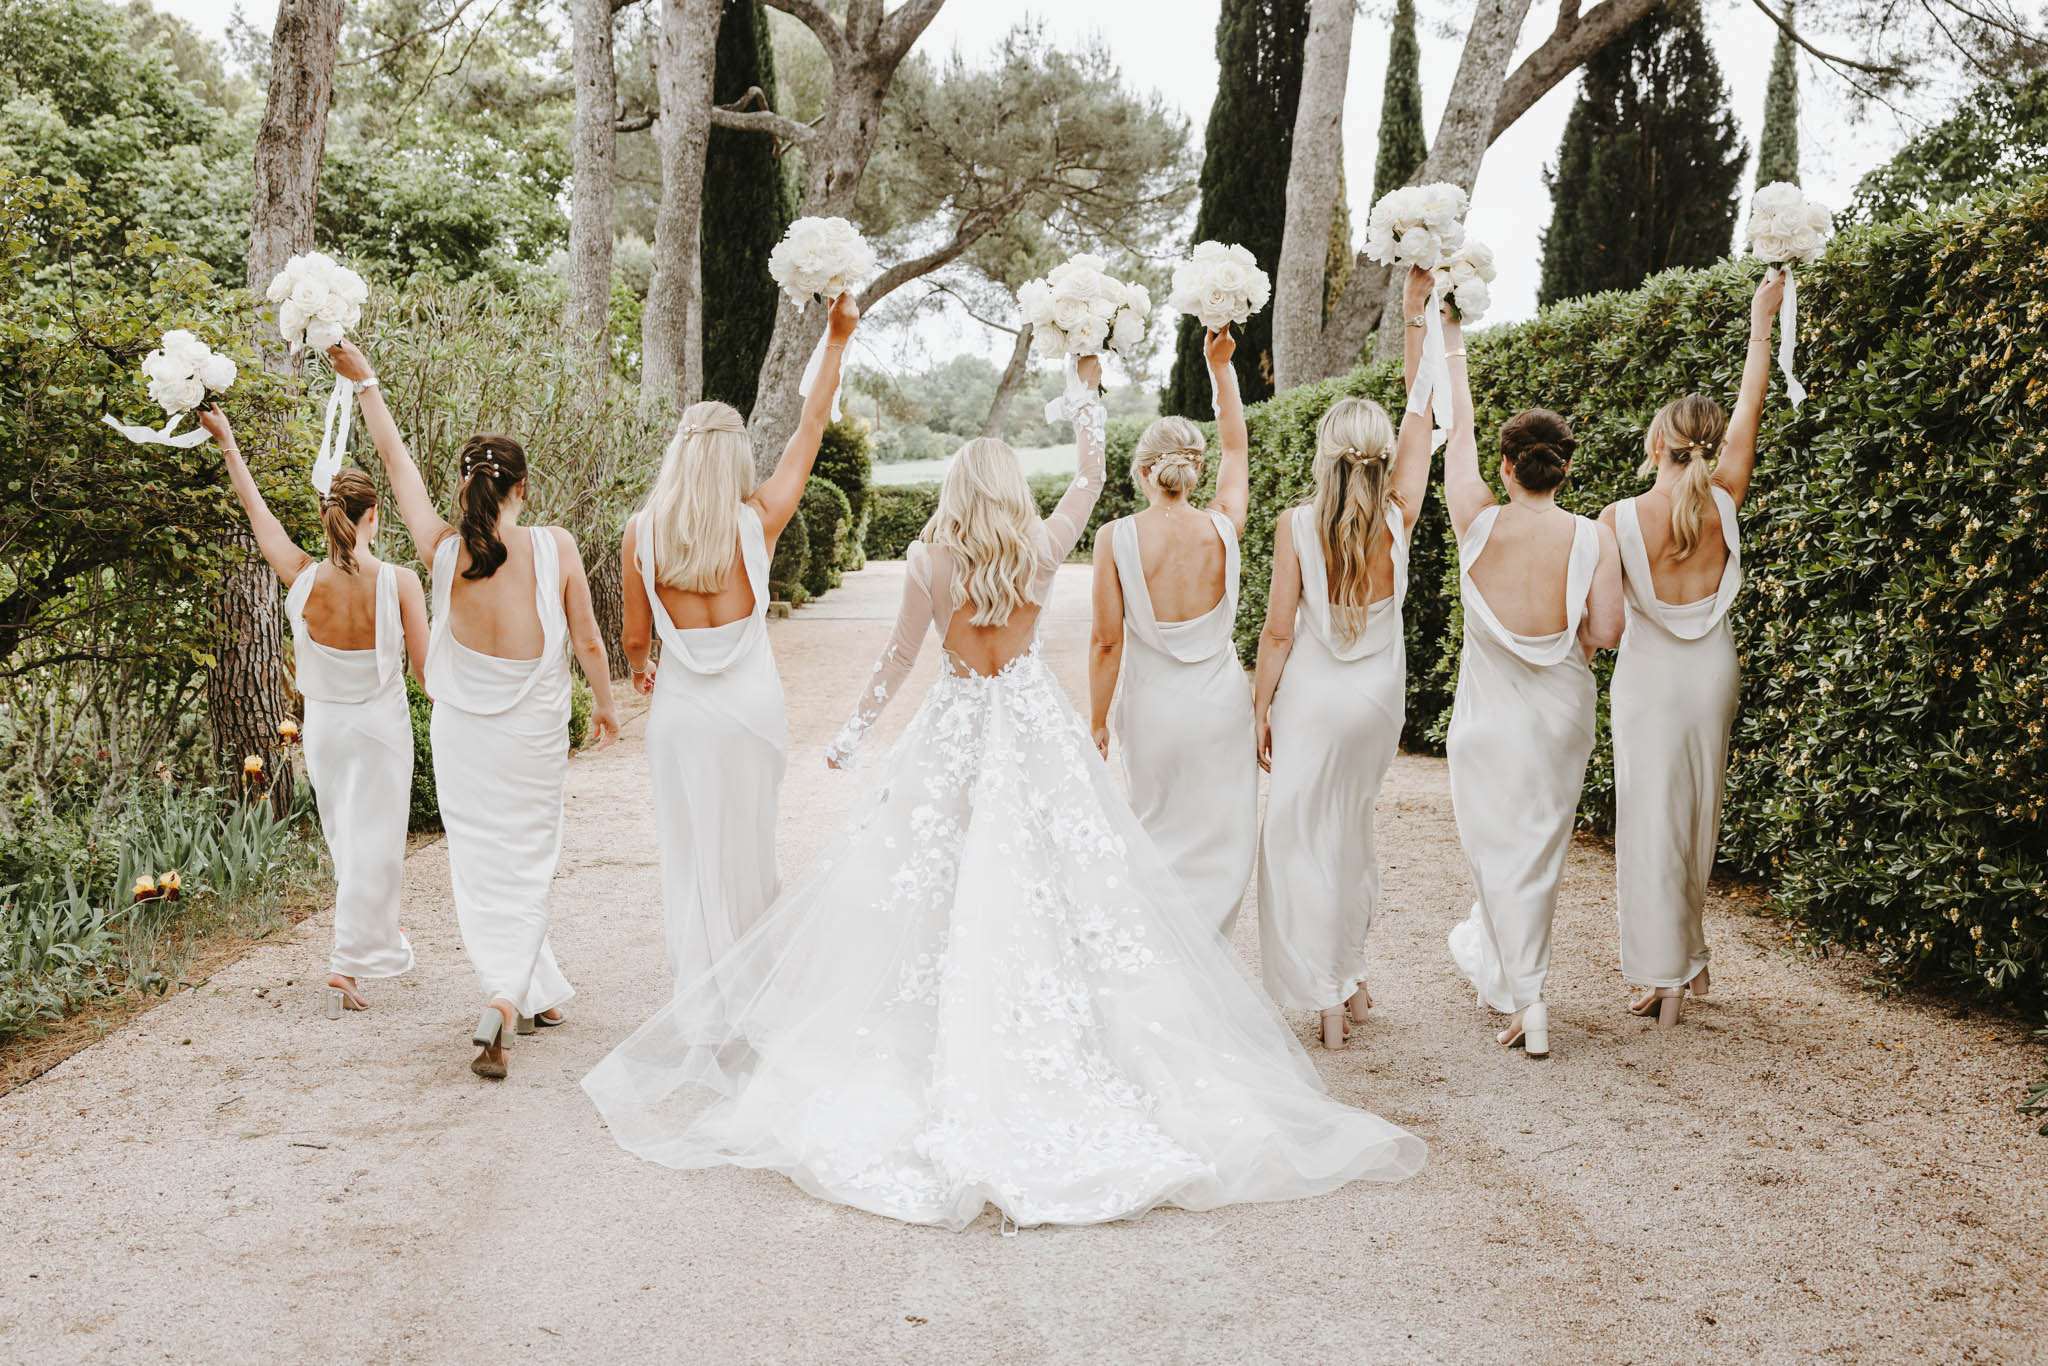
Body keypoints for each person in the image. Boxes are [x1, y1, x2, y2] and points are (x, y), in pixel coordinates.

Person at [582, 356, 1425, 1229]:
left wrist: (852, 733)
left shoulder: (925, 560)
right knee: (1060, 880)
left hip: (952, 735)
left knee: (932, 881)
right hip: (1029, 733)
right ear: (1012, 488)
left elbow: (901, 662)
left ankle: (948, 1032)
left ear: (954, 487)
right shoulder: (1042, 546)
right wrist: (1084, 388)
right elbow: (1095, 475)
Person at [331, 340, 620, 1080]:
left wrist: (368, 385)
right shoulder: (555, 546)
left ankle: (535, 990)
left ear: (463, 488)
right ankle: (501, 999)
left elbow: (397, 471)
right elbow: (588, 639)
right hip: (530, 735)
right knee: (528, 866)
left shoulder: (439, 550)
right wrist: (609, 709)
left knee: (486, 869)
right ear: (522, 486)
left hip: (464, 735)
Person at [622, 293, 858, 984]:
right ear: (734, 457)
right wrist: (836, 339)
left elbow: (636, 638)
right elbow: (812, 424)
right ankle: (755, 982)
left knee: (691, 851)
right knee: (750, 845)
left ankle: (702, 981)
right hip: (752, 711)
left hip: (683, 717)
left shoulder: (643, 532)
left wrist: (644, 671)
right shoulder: (760, 519)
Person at [1251, 266, 1437, 1048]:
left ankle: (1326, 995)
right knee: (1352, 832)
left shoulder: (1296, 525)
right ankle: (1352, 982)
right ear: (1380, 454)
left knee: (1302, 841)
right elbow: (1424, 411)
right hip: (1374, 708)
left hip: (1313, 702)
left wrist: (1260, 709)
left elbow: (1278, 633)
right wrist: (1417, 318)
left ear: (1327, 452)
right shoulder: (1399, 516)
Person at [1439, 306, 1624, 1060]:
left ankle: (1524, 994)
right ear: (1566, 468)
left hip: (1486, 720)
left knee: (1494, 850)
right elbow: (1607, 633)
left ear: (1508, 468)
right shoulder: (1594, 536)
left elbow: (1459, 431)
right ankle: (1526, 991)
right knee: (1540, 853)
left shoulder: (1476, 521)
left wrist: (1450, 335)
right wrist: (1567, 637)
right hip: (1560, 714)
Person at [1600, 270, 1784, 1027]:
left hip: (1646, 677)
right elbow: (1750, 406)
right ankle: (1686, 962)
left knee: (1648, 817)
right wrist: (1761, 326)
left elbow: (1603, 625)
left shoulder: (1617, 517)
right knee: (1700, 814)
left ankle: (1659, 975)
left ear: (1657, 442)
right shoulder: (1728, 496)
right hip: (1712, 672)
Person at [200, 407, 428, 1017]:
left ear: (329, 517)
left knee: (348, 843)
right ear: (372, 516)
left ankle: (364, 951)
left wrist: (228, 443)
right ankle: (346, 960)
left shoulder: (299, 576)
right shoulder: (401, 583)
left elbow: (257, 515)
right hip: (380, 728)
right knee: (377, 843)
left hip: (326, 730)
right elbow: (429, 676)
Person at [1087, 326, 1254, 939]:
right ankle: (1207, 954)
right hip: (1219, 705)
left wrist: (1098, 720)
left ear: (1143, 468)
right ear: (1196, 468)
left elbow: (1107, 642)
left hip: (1153, 709)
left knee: (1155, 832)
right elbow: (1237, 449)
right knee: (1221, 836)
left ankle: (1164, 960)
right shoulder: (1224, 527)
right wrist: (1221, 370)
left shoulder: (1118, 538)